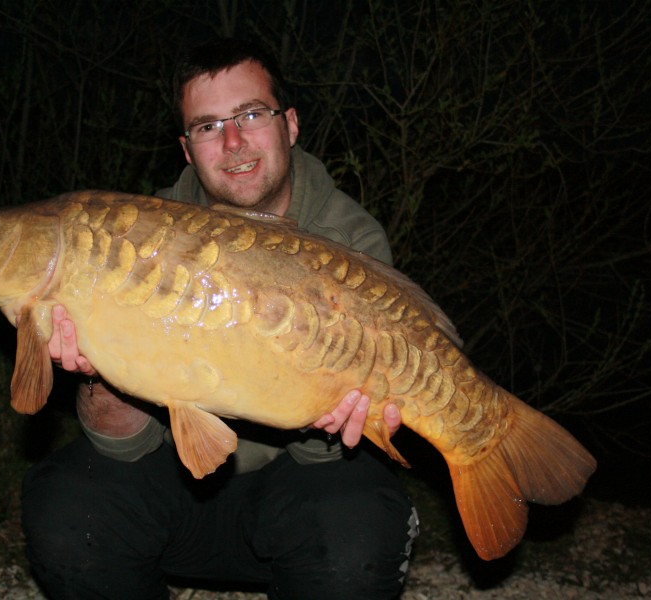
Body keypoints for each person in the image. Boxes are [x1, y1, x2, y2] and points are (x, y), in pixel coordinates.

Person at [22, 38, 419, 600]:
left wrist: (328, 412)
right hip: (176, 487)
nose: (233, 142)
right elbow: (122, 449)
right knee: (67, 508)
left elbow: (326, 454)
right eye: (208, 127)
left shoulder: (348, 240)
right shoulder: (132, 240)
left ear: (291, 125)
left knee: (358, 528)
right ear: (187, 149)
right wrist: (98, 371)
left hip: (300, 492)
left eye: (251, 115)